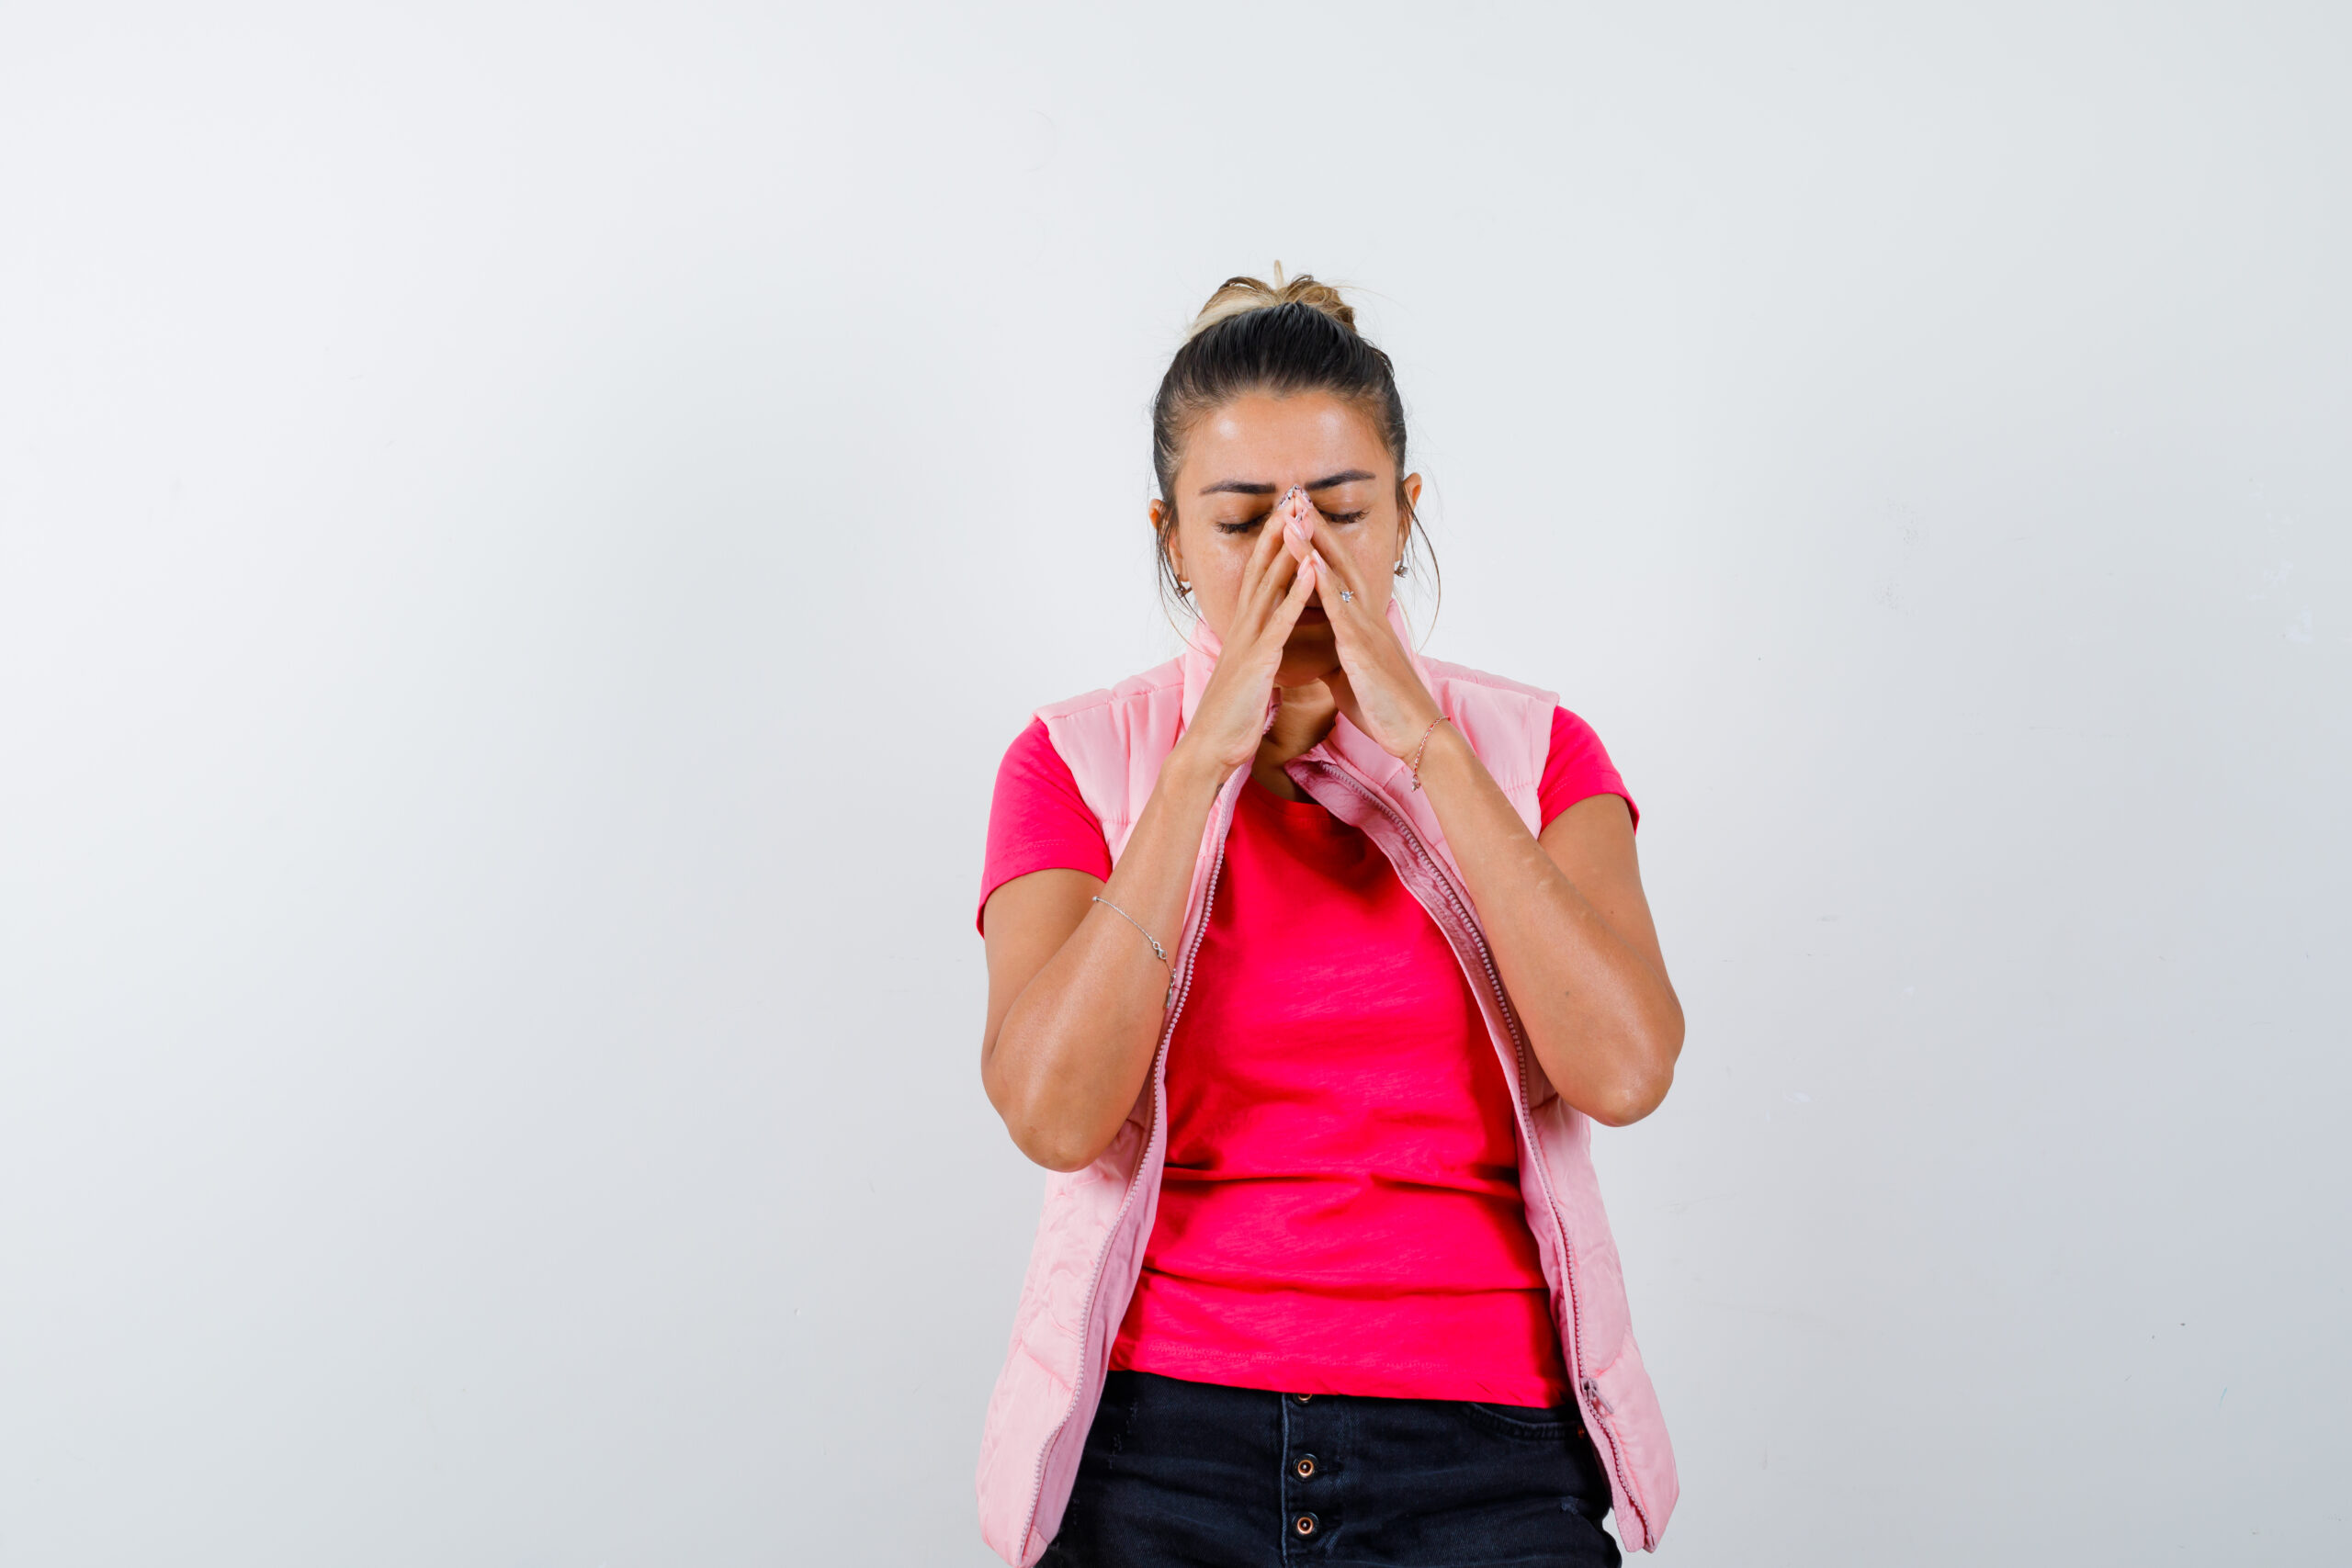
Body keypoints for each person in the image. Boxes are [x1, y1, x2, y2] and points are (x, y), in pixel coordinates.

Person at [972, 271, 1683, 1568]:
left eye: (1341, 511)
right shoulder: (1072, 760)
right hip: (1161, 1453)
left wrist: (1419, 739)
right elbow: (1053, 1114)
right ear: (1171, 539)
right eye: (1241, 523)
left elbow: (1625, 1071)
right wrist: (1199, 770)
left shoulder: (1535, 750)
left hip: (1488, 1458)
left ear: (1405, 517)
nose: (1298, 557)